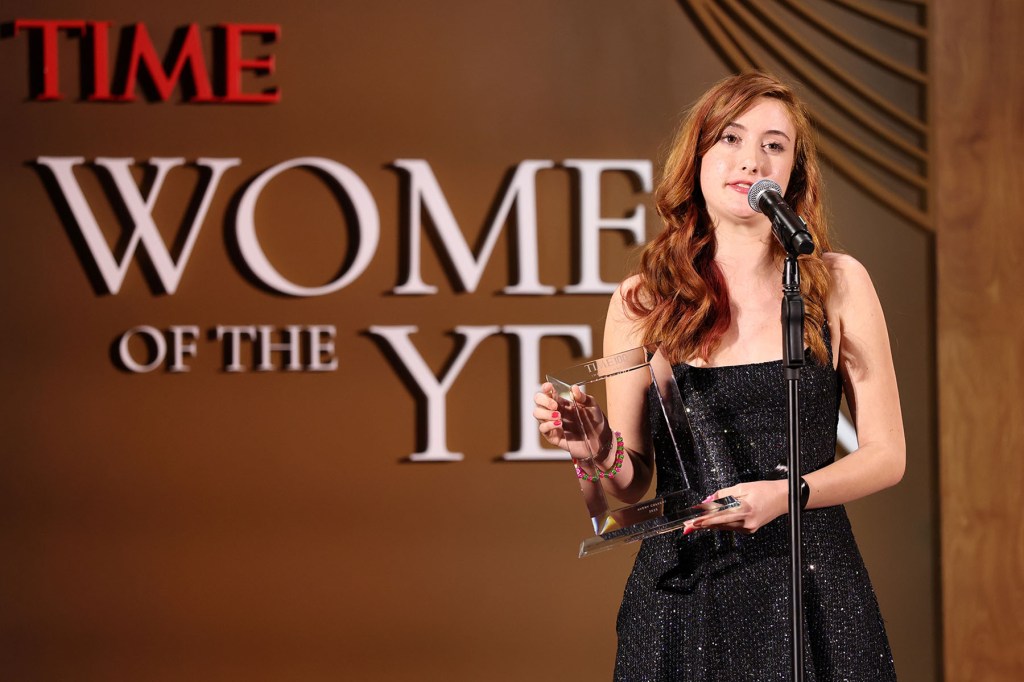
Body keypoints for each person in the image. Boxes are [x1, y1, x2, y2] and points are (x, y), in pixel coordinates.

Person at [534, 71, 905, 680]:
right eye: (730, 139)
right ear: (698, 158)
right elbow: (630, 487)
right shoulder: (644, 299)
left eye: (773, 144)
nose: (750, 159)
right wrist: (592, 448)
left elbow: (888, 455)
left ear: (793, 173)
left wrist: (785, 497)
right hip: (686, 597)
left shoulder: (837, 284)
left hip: (812, 583)